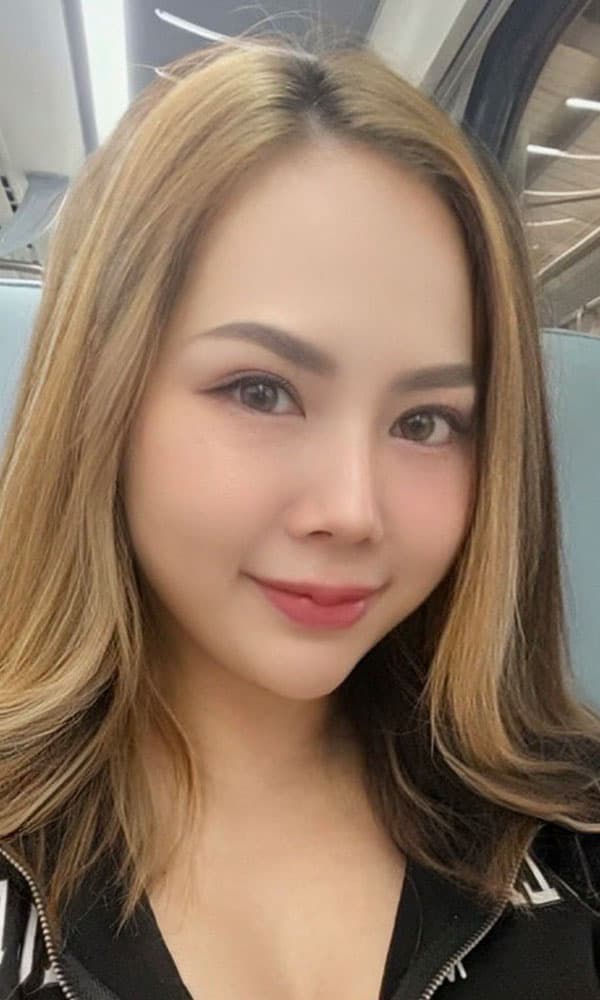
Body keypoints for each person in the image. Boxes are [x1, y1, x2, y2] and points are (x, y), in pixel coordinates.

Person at [0, 33, 598, 1000]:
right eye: (261, 391)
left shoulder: (571, 830)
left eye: (425, 421)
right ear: (100, 400)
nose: (352, 511)